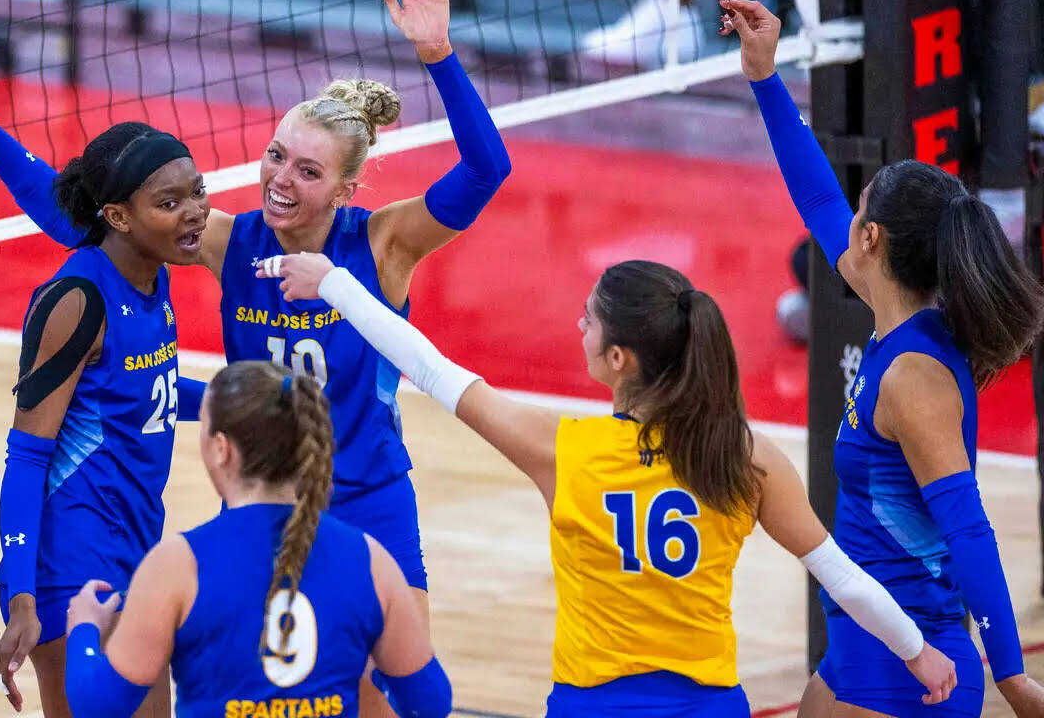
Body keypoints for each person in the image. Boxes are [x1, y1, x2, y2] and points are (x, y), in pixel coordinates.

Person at [0, 0, 509, 716]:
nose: (279, 180)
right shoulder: (233, 243)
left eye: (307, 170)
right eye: (274, 156)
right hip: (258, 502)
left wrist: (437, 54)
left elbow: (486, 170)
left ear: (347, 187)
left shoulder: (382, 244)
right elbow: (84, 220)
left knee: (390, 702)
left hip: (364, 500)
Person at [256, 252, 958, 716]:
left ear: (618, 358)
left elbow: (435, 371)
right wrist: (917, 653)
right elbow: (843, 578)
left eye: (588, 319)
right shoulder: (745, 455)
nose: (578, 324)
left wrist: (336, 285)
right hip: (709, 705)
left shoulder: (566, 450)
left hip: (595, 703)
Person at [721, 0, 1044, 717]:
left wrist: (1013, 675)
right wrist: (765, 76)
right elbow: (815, 196)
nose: (847, 217)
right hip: (869, 649)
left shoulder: (914, 377)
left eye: (859, 209)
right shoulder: (899, 322)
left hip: (909, 668)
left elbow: (968, 528)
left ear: (874, 243)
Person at [0, 14, 213, 716]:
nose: (195, 212)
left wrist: (242, 393)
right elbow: (26, 456)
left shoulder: (148, 262)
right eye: (170, 203)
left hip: (135, 537)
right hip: (72, 558)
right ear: (117, 216)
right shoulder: (78, 300)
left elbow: (147, 390)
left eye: (196, 191)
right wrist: (22, 592)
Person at [62, 362, 450, 718]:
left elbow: (98, 706)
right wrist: (371, 663)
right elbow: (431, 703)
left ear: (221, 449)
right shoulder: (370, 560)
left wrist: (84, 629)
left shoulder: (176, 567)